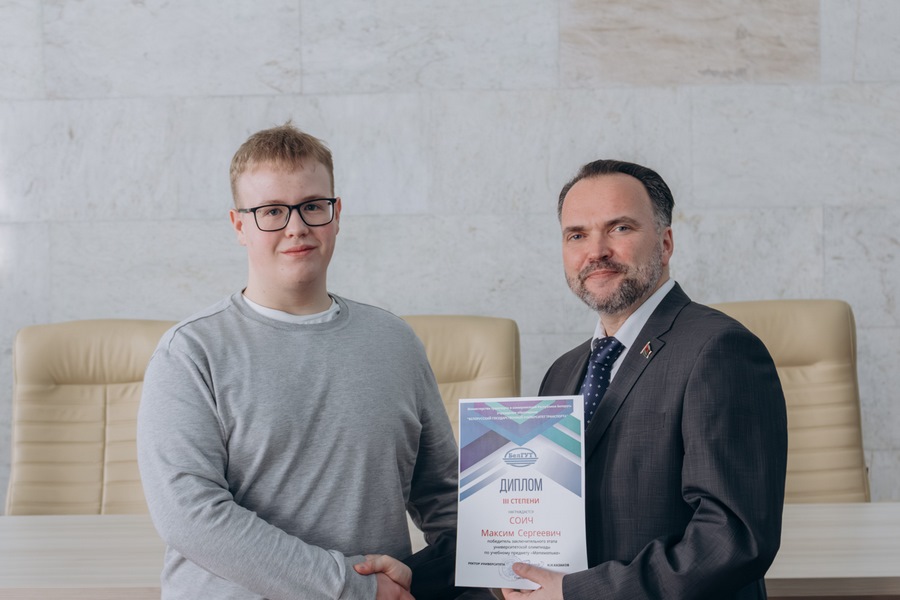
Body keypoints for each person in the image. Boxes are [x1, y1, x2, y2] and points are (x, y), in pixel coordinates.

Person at [138, 122, 469, 600]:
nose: (296, 227)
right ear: (239, 225)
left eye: (313, 206)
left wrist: (508, 564)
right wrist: (350, 586)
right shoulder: (190, 353)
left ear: (336, 215)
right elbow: (190, 516)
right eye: (272, 211)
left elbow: (444, 497)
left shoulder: (395, 341)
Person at [503, 160, 788, 599]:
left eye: (619, 228)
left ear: (665, 243)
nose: (596, 251)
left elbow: (732, 538)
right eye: (576, 235)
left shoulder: (720, 350)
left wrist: (580, 593)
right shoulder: (562, 372)